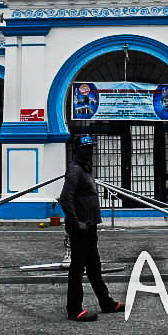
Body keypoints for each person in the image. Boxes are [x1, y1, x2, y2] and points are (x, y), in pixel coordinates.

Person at [58, 134, 124, 322]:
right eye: (85, 148)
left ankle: (107, 303)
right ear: (77, 151)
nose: (89, 151)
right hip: (81, 229)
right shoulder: (75, 170)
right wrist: (76, 221)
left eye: (90, 148)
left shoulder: (84, 170)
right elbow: (65, 198)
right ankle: (74, 309)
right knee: (77, 269)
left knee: (94, 267)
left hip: (89, 227)